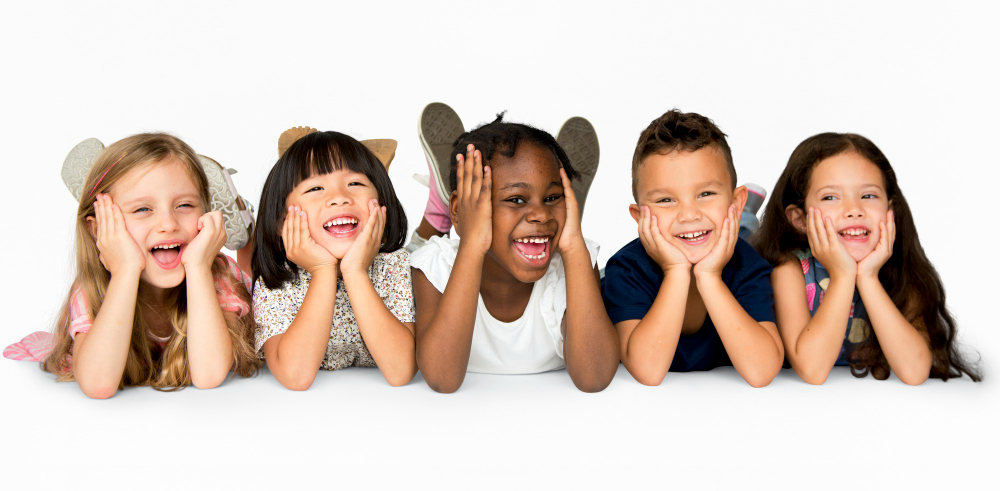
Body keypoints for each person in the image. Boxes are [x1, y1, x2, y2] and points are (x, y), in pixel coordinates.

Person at [19, 133, 259, 398]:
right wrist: (125, 271)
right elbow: (98, 384)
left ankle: (247, 226)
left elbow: (209, 375)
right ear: (99, 230)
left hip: (254, 289)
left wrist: (199, 269)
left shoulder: (218, 275)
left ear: (206, 215)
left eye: (185, 205)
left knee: (260, 278)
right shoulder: (93, 288)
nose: (168, 224)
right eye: (142, 209)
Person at [410, 114, 619, 393]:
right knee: (408, 252)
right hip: (458, 238)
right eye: (516, 199)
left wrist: (573, 247)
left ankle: (568, 208)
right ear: (460, 211)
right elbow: (442, 379)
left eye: (552, 198)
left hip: (540, 246)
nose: (541, 214)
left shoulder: (573, 264)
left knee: (556, 236)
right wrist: (472, 242)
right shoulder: (434, 266)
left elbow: (594, 378)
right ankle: (441, 206)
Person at [752, 132, 981, 384]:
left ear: (890, 211)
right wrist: (842, 274)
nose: (854, 210)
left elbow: (915, 372)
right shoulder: (789, 270)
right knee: (743, 243)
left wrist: (868, 276)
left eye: (868, 196)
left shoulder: (900, 272)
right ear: (801, 219)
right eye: (831, 197)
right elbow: (812, 370)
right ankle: (746, 219)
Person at [602, 109, 783, 388]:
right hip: (612, 280)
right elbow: (648, 371)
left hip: (722, 236)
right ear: (639, 218)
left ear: (734, 201)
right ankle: (744, 223)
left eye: (706, 194)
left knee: (740, 239)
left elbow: (761, 372)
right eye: (665, 200)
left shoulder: (748, 265)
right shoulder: (627, 269)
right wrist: (675, 271)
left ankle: (743, 222)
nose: (689, 214)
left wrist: (709, 276)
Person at [251, 130, 415, 390]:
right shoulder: (278, 278)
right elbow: (295, 376)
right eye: (315, 188)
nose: (340, 197)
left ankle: (436, 211)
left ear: (383, 202)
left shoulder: (393, 266)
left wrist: (355, 271)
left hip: (403, 255)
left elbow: (401, 371)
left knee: (428, 253)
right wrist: (322, 270)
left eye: (355, 184)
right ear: (283, 221)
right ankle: (243, 215)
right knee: (241, 263)